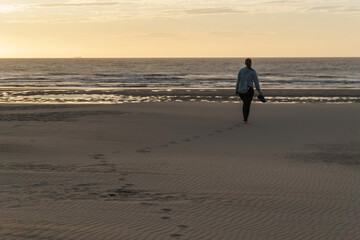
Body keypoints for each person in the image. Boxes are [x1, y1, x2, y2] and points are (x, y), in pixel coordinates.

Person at [235, 58, 262, 124]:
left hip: (241, 90)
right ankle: (245, 119)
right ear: (251, 63)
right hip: (249, 90)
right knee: (247, 104)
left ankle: (244, 118)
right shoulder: (253, 71)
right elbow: (256, 82)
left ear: (245, 63)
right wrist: (259, 90)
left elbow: (238, 81)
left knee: (245, 104)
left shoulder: (241, 70)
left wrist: (236, 90)